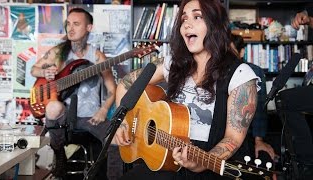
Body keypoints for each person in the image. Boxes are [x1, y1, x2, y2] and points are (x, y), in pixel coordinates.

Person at [113, 0, 260, 179]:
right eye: (184, 19)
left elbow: (233, 139)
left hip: (206, 163)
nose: (187, 24)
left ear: (215, 24)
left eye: (197, 17)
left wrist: (204, 161)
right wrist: (124, 122)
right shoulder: (172, 63)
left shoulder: (241, 74)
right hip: (162, 156)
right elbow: (126, 83)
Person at [30, 8, 122, 179]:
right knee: (53, 107)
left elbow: (112, 89)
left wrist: (103, 110)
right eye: (68, 24)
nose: (70, 28)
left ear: (89, 28)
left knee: (116, 138)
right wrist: (44, 73)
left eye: (76, 24)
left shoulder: (97, 56)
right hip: (65, 118)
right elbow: (33, 69)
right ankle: (59, 154)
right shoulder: (58, 52)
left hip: (92, 117)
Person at [230, 34, 276, 161]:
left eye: (230, 52)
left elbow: (260, 110)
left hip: (247, 135)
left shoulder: (255, 72)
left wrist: (259, 140)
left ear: (241, 52)